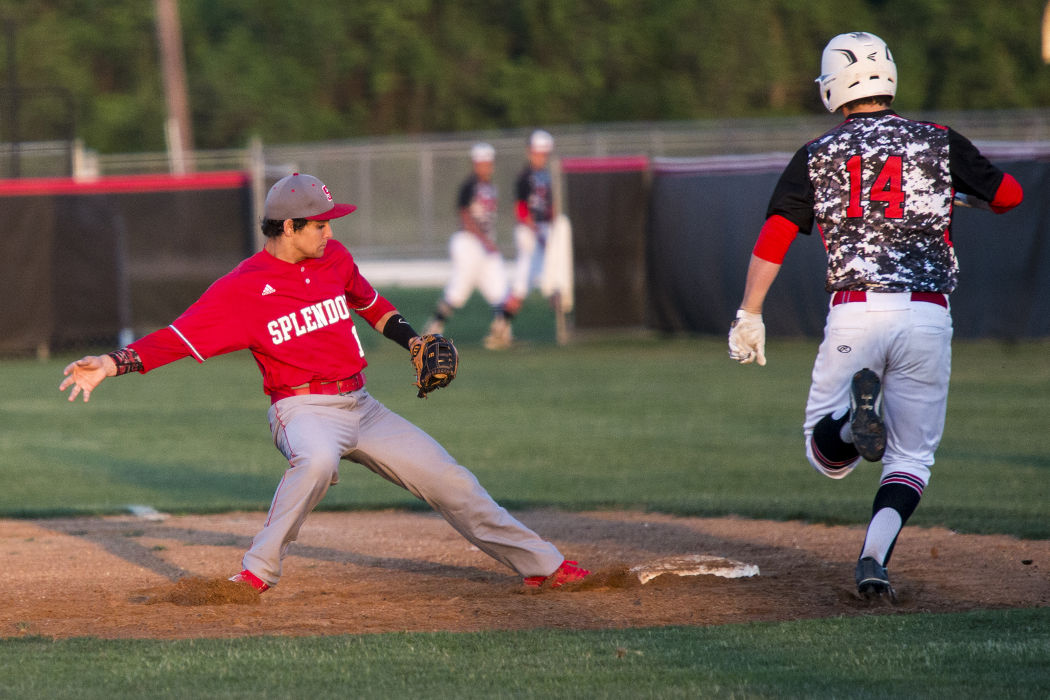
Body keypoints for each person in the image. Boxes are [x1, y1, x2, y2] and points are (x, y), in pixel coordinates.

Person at [59, 172, 589, 592]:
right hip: (301, 409)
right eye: (319, 224)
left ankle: (543, 566)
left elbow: (371, 304)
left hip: (362, 405)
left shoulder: (334, 259)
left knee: (451, 480)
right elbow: (178, 337)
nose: (330, 232)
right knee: (315, 461)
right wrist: (110, 362)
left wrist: (413, 341)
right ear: (288, 227)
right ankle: (256, 574)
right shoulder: (242, 289)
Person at [727, 32, 1022, 600]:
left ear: (832, 87)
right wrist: (960, 194)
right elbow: (1010, 195)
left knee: (827, 458)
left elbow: (777, 232)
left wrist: (750, 312)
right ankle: (872, 561)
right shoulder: (938, 139)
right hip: (928, 315)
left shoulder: (817, 152)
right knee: (912, 458)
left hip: (856, 312)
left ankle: (849, 425)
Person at [422, 143, 514, 350]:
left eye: (489, 163)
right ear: (475, 163)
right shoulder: (470, 185)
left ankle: (501, 333)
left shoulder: (491, 187)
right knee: (459, 289)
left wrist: (487, 241)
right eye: (483, 163)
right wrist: (484, 240)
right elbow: (465, 216)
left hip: (485, 244)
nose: (487, 167)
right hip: (469, 242)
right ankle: (433, 328)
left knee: (500, 288)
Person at [505, 129, 556, 318]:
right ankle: (503, 321)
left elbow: (551, 206)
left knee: (547, 276)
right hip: (529, 230)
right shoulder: (525, 176)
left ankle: (503, 321)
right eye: (538, 153)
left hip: (543, 228)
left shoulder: (547, 175)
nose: (541, 157)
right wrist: (535, 229)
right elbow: (520, 208)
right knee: (527, 276)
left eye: (543, 154)